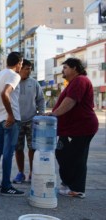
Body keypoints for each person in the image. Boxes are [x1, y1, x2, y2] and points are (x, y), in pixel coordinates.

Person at [46, 58, 98, 199]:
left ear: (74, 68)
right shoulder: (74, 82)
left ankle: (77, 189)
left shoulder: (80, 81)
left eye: (65, 67)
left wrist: (54, 113)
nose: (63, 70)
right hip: (72, 128)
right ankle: (68, 184)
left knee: (76, 158)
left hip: (81, 127)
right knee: (63, 154)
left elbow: (70, 101)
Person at [0, 51, 24, 196]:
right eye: (21, 63)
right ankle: (6, 186)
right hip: (10, 119)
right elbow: (5, 93)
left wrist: (1, 110)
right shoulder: (15, 75)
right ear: (19, 63)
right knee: (8, 152)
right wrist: (10, 113)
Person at [12, 59, 45, 184]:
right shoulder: (13, 82)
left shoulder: (34, 83)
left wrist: (41, 114)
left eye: (30, 68)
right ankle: (21, 173)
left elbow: (41, 100)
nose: (29, 71)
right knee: (18, 148)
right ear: (20, 68)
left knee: (33, 148)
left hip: (32, 121)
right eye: (26, 68)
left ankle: (32, 173)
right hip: (17, 121)